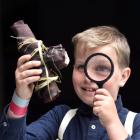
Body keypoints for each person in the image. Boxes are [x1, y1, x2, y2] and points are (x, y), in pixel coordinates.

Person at [0, 26, 140, 140]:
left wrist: (113, 124)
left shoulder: (135, 123)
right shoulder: (59, 118)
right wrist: (21, 97)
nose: (88, 77)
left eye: (102, 68)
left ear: (123, 76)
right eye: (81, 67)